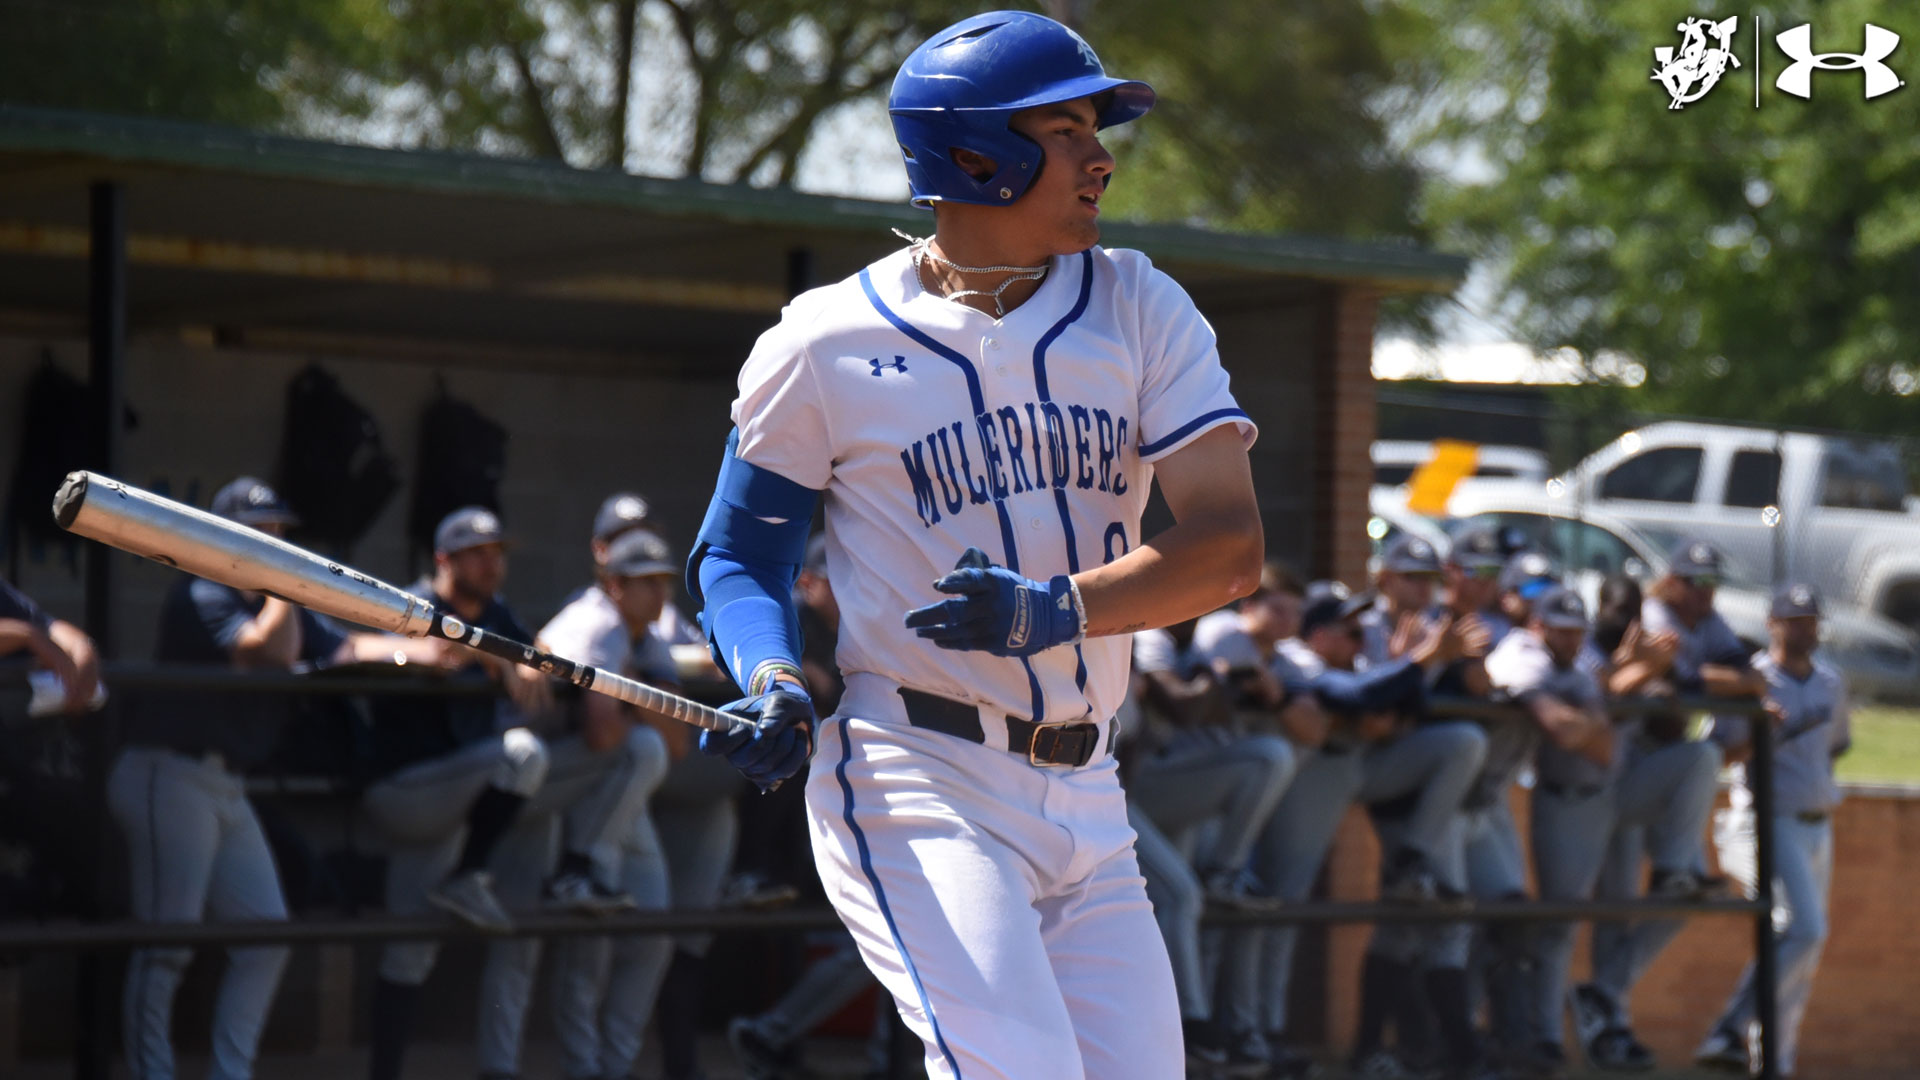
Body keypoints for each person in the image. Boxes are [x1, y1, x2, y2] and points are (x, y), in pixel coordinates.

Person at [687, 11, 1267, 1076]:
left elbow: (1229, 546)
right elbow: (740, 556)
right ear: (973, 155)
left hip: (1090, 788)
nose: (1100, 159)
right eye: (1065, 132)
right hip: (918, 772)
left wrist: (1055, 610)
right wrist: (770, 673)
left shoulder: (1140, 305)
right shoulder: (822, 340)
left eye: (1097, 131)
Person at [111, 477, 445, 1080]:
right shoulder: (202, 589)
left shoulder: (271, 599)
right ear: (221, 536)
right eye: (259, 533)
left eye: (278, 533)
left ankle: (230, 1073)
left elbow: (347, 649)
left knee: (266, 935)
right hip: (169, 772)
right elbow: (267, 651)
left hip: (224, 784)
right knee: (166, 947)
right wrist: (285, 584)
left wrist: (428, 651)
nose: (273, 543)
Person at [358, 506, 562, 1080]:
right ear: (443, 560)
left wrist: (532, 661)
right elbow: (429, 652)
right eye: (476, 554)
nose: (491, 564)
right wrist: (490, 655)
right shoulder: (413, 601)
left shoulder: (497, 612)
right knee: (523, 753)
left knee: (410, 949)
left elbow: (539, 656)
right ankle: (468, 877)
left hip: (460, 788)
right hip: (409, 787)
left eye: (496, 553)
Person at [485, 527, 682, 1080]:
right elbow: (602, 733)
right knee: (529, 940)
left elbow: (679, 741)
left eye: (663, 581)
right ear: (614, 585)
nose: (659, 594)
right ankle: (522, 1068)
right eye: (645, 582)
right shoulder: (595, 622)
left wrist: (631, 693)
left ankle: (609, 1067)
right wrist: (639, 699)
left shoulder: (645, 634)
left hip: (601, 786)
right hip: (530, 778)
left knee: (652, 931)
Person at [1565, 539, 1749, 1071]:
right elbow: (1677, 683)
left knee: (1686, 896)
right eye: (1694, 582)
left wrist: (1726, 680)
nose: (1704, 593)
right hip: (1619, 769)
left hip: (1659, 773)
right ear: (1671, 581)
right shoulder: (1651, 614)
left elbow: (1738, 669)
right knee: (1614, 906)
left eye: (1711, 583)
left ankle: (1605, 996)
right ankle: (1609, 1026)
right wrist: (1719, 680)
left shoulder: (1708, 621)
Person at [1695, 583, 1848, 1078]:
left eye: (1810, 621)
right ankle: (1729, 1027)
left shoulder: (1831, 683)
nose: (1804, 630)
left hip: (1817, 824)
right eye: (1793, 621)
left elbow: (1834, 747)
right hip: (1767, 819)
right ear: (1772, 624)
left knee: (1804, 951)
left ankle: (1774, 1064)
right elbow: (1714, 755)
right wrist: (1759, 733)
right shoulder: (1752, 680)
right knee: (1803, 930)